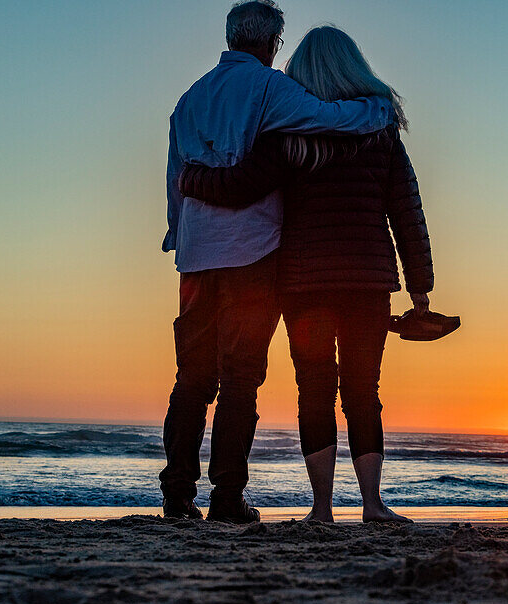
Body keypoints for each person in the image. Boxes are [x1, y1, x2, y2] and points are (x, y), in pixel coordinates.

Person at [178, 26, 435, 524]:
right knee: (363, 391)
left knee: (314, 389)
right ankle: (374, 504)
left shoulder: (289, 135)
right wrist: (420, 287)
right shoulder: (379, 129)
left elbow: (240, 186)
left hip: (304, 284)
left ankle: (321, 508)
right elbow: (407, 210)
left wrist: (193, 178)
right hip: (367, 281)